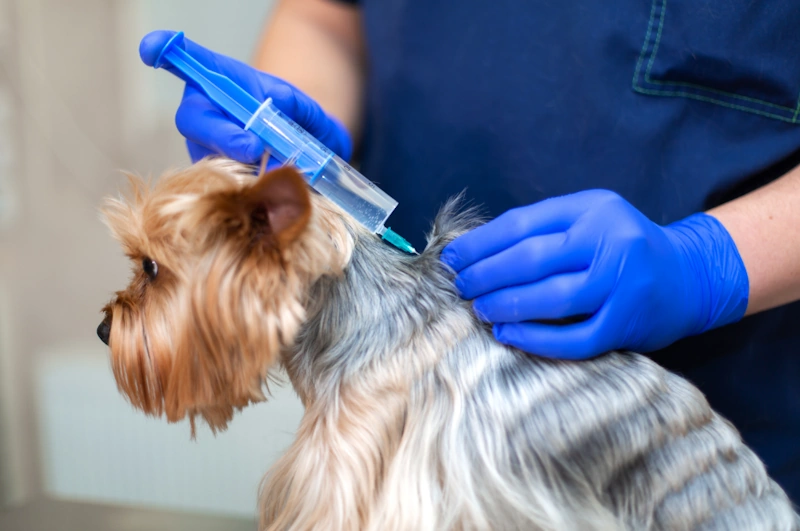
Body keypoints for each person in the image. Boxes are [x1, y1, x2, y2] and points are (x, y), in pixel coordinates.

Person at [139, 0, 800, 502]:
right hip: (399, 397)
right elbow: (326, 14)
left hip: (724, 433)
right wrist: (282, 133)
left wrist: (710, 262)